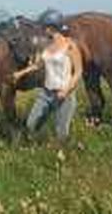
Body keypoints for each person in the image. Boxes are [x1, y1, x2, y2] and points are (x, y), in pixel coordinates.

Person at [12, 9, 82, 140]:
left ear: (51, 27)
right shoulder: (44, 45)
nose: (42, 29)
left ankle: (62, 155)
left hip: (64, 95)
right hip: (46, 93)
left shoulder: (70, 45)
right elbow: (37, 65)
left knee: (61, 133)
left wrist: (66, 90)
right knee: (30, 124)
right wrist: (20, 73)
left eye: (44, 26)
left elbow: (78, 72)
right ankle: (36, 147)